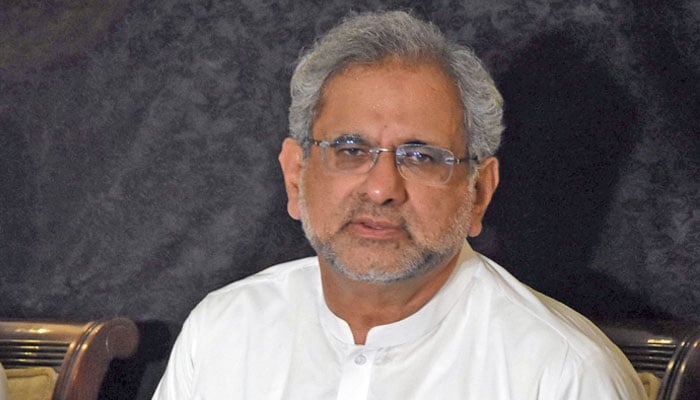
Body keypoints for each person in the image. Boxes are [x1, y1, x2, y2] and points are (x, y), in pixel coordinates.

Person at [153, 10, 646, 399]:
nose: (381, 188)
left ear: (478, 192)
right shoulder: (223, 329)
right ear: (295, 175)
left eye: (421, 156)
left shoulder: (560, 373)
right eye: (350, 151)